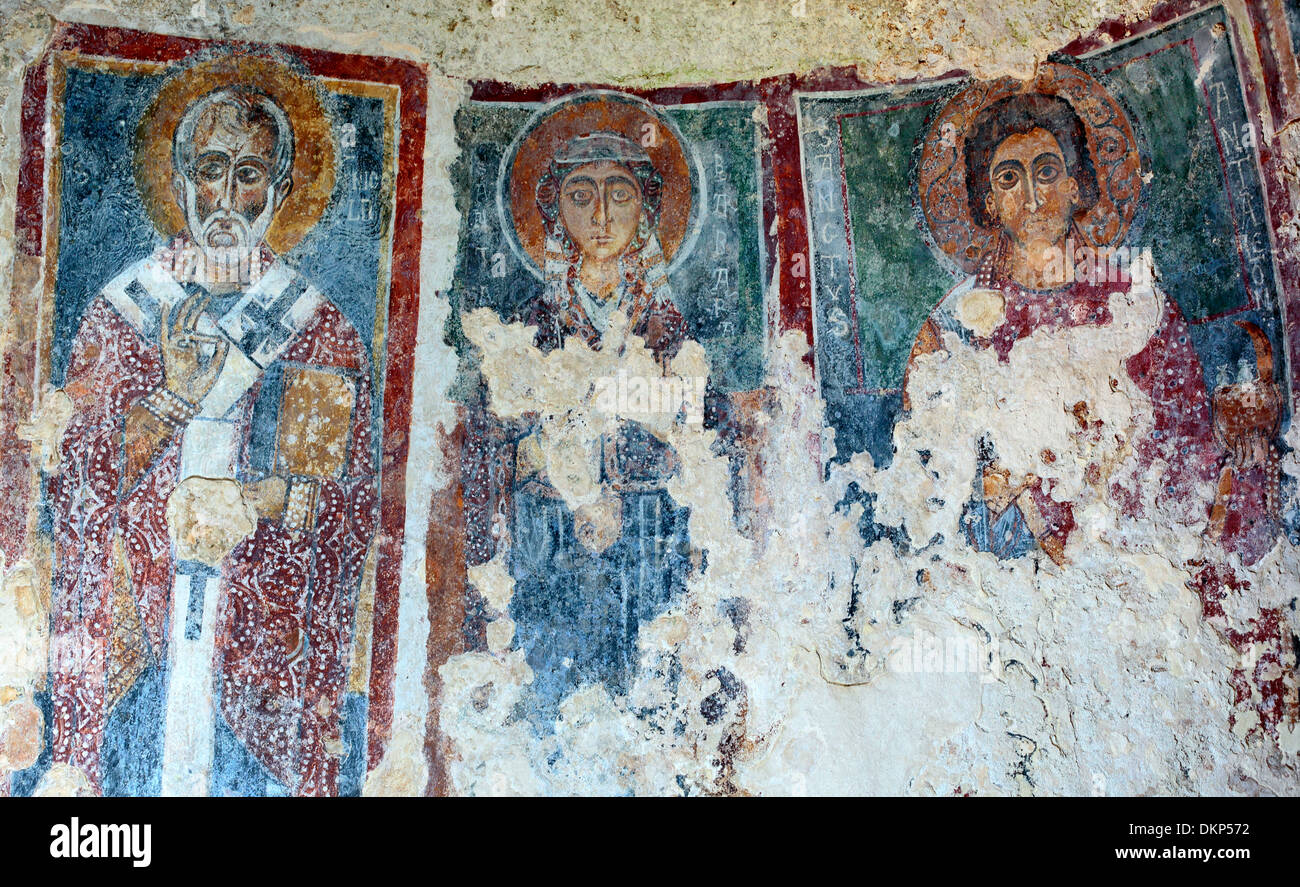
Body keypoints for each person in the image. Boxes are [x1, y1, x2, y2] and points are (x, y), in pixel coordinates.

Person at [46, 81, 377, 795]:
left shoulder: (314, 326)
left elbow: (338, 506)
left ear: (281, 190)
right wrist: (172, 398)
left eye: (250, 173)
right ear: (177, 181)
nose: (227, 195)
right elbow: (76, 487)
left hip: (256, 648)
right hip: (143, 631)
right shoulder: (124, 311)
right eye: (211, 168)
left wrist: (254, 498)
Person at [905, 92, 1268, 566]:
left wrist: (1239, 449)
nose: (1033, 197)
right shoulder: (951, 328)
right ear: (989, 202)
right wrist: (993, 485)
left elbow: (1185, 452)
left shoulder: (1139, 303)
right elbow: (925, 492)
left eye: (1048, 172)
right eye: (1009, 179)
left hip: (1131, 563)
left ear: (1077, 186)